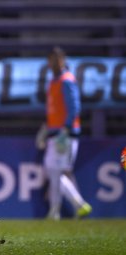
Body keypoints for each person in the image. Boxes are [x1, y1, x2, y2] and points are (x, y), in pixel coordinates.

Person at [37, 47, 92, 220]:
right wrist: (46, 129)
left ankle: (67, 207)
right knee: (56, 172)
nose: (53, 63)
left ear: (63, 60)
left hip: (65, 134)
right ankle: (61, 209)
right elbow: (54, 110)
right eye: (51, 59)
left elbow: (74, 107)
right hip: (56, 133)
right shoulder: (54, 82)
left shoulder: (67, 81)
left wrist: (66, 129)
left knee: (54, 171)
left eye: (57, 59)